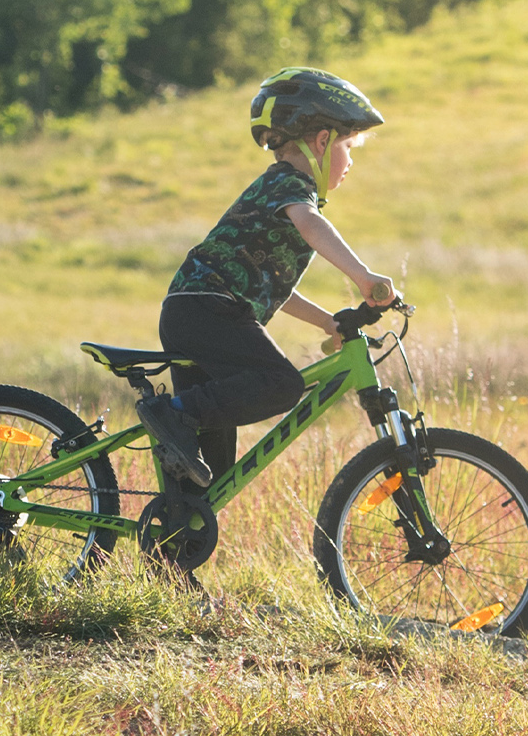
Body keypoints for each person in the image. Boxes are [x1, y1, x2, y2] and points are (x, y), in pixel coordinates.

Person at [137, 66, 398, 489]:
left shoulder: (279, 192)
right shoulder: (289, 184)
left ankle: (173, 537)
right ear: (322, 141)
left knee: (207, 477)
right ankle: (171, 414)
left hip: (195, 310)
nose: (350, 160)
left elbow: (277, 289)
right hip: (209, 310)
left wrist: (328, 323)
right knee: (280, 384)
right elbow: (313, 228)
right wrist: (364, 277)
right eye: (349, 146)